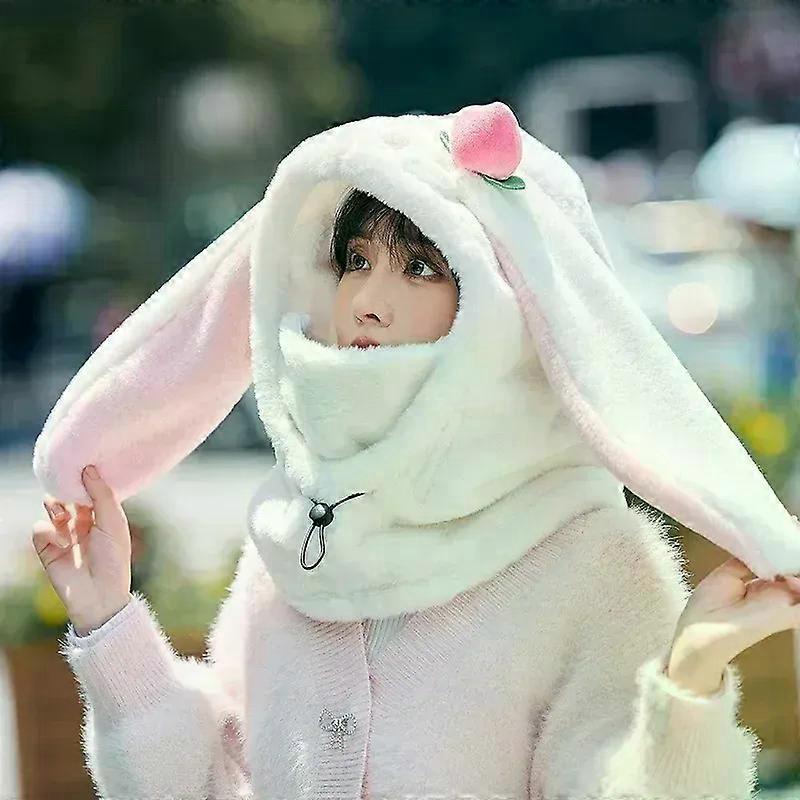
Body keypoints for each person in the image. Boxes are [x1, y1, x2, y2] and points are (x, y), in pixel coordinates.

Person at [31, 101, 800, 800]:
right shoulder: (295, 544)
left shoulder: (593, 561)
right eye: (356, 259)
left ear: (510, 307)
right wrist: (110, 628)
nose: (367, 300)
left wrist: (687, 684)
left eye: (422, 267)